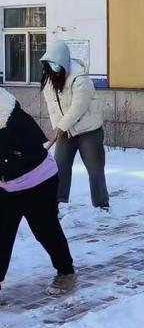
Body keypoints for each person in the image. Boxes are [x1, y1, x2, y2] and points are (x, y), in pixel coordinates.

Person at [0, 88, 76, 296]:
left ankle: (66, 271)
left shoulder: (14, 120)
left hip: (38, 182)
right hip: (8, 185)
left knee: (45, 229)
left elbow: (26, 156)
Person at [40, 40, 109, 210]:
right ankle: (55, 203)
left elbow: (78, 107)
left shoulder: (80, 78)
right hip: (66, 131)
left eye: (56, 64)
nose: (53, 68)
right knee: (59, 167)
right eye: (51, 64)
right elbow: (53, 108)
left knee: (95, 169)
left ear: (63, 62)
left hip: (89, 131)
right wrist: (58, 127)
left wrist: (61, 127)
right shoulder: (49, 81)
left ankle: (101, 204)